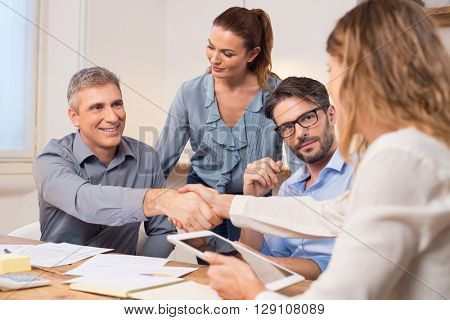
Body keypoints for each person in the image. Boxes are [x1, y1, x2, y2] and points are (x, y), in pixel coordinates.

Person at [178, 0, 450, 299]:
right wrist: (224, 203)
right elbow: (326, 214)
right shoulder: (415, 149)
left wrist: (253, 295)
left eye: (331, 70)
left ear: (364, 75)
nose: (333, 87)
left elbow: (337, 302)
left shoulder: (400, 157)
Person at [33, 67, 221, 257]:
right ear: (74, 117)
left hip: (120, 282)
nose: (113, 117)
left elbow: (162, 231)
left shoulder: (146, 157)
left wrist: (141, 272)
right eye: (97, 107)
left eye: (116, 104)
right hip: (58, 278)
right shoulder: (52, 160)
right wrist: (161, 200)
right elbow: (84, 200)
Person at [156, 7, 298, 242]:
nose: (214, 59)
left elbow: (299, 167)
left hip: (254, 206)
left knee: (253, 272)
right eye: (211, 47)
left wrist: (299, 216)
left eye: (227, 53)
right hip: (203, 205)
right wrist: (153, 210)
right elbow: (160, 162)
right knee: (210, 273)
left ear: (252, 54)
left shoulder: (277, 93)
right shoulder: (189, 92)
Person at [240, 76, 353, 280]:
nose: (299, 134)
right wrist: (251, 201)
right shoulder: (289, 188)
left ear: (331, 115)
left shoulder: (361, 174)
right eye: (287, 127)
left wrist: (273, 264)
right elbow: (258, 260)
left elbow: (355, 265)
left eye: (308, 118)